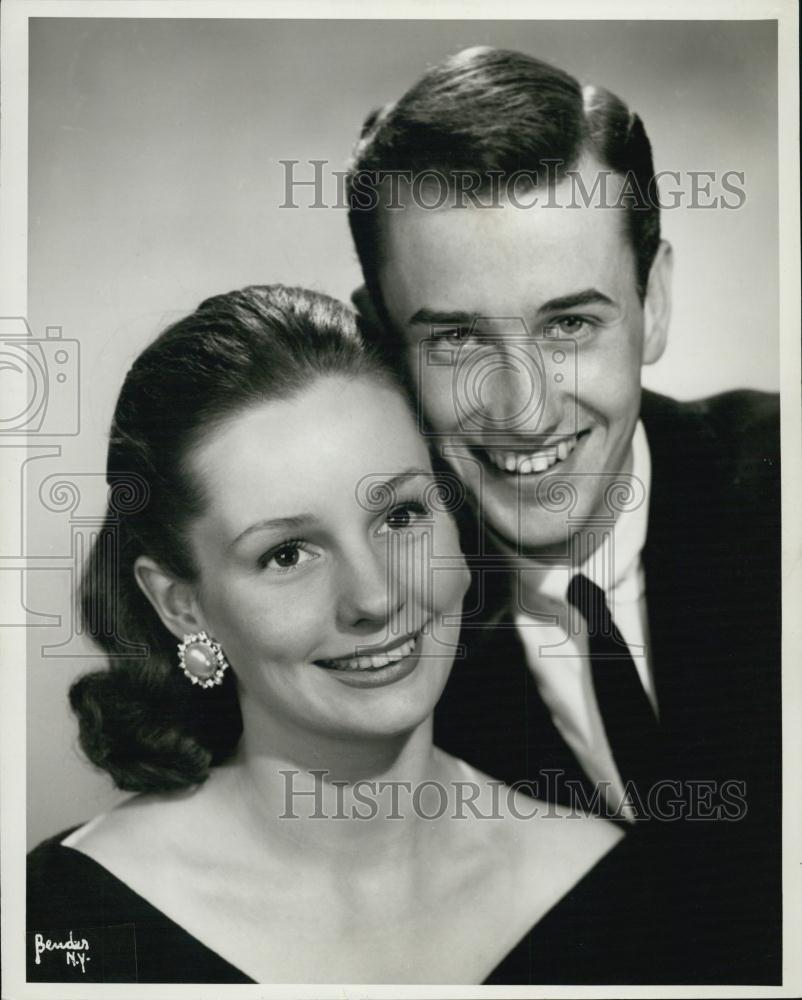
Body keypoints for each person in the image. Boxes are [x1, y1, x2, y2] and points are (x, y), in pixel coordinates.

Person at [27, 283, 662, 985]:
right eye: (287, 555)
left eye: (401, 518)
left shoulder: (615, 893)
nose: (374, 597)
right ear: (182, 606)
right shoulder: (60, 922)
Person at [347, 47, 781, 982]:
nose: (524, 410)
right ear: (382, 346)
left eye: (569, 325)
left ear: (653, 303)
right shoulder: (361, 642)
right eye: (457, 337)